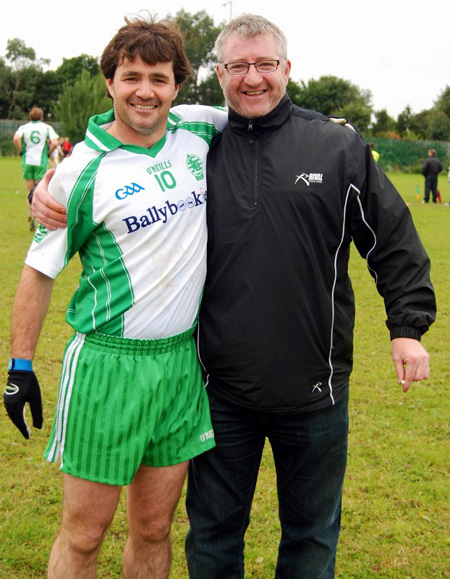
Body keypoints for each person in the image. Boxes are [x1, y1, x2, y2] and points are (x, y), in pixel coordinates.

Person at [30, 14, 436, 578]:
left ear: (287, 69)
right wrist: (48, 188)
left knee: (311, 538)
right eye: (238, 66)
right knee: (214, 538)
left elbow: (392, 239)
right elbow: (124, 127)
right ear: (219, 74)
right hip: (219, 393)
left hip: (316, 388)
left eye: (265, 64)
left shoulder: (334, 145)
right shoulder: (198, 144)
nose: (252, 78)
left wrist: (407, 328)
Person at [4, 15, 227, 578]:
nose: (145, 90)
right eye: (131, 76)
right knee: (84, 536)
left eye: (158, 77)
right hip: (107, 367)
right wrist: (20, 365)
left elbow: (270, 113)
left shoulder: (200, 130)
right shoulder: (78, 171)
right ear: (110, 82)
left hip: (180, 363)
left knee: (154, 528)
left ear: (178, 85)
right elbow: (38, 271)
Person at [13, 106, 59, 230]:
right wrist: (49, 153)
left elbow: (16, 138)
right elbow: (55, 142)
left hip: (27, 161)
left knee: (29, 190)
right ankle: (37, 220)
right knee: (39, 191)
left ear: (30, 117)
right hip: (40, 162)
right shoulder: (46, 128)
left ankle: (30, 214)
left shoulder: (24, 127)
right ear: (42, 117)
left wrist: (20, 151)